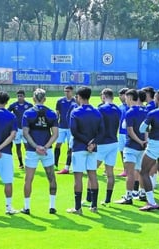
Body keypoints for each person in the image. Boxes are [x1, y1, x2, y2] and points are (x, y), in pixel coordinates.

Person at [20, 88, 59, 215]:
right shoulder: (51, 113)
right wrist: (46, 147)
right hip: (47, 151)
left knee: (28, 179)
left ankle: (26, 207)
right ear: (45, 99)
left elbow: (25, 133)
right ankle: (52, 206)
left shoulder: (28, 113)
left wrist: (36, 146)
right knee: (51, 177)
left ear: (33, 98)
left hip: (32, 151)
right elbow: (55, 134)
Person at [67, 86, 104, 214]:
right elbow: (101, 131)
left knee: (78, 178)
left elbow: (74, 131)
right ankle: (94, 206)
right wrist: (93, 143)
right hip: (93, 149)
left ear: (79, 97)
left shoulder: (75, 112)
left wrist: (86, 142)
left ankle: (78, 208)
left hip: (79, 147)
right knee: (92, 175)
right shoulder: (97, 112)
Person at [115, 89, 148, 205]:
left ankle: (128, 196)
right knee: (142, 171)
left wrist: (139, 141)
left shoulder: (129, 112)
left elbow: (130, 130)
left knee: (130, 173)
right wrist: (144, 141)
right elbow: (146, 129)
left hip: (131, 146)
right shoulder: (145, 111)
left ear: (129, 98)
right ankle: (142, 193)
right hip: (143, 147)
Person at [95, 88, 121, 206]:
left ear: (104, 96)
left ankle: (90, 199)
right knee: (110, 172)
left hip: (102, 143)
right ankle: (107, 199)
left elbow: (96, 125)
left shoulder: (100, 109)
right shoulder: (118, 109)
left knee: (92, 170)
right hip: (114, 142)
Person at [8, 89, 32, 169]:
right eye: (18, 96)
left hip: (26, 129)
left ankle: (28, 162)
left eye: (21, 96)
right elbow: (7, 113)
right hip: (17, 129)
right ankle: (21, 163)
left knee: (26, 146)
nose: (19, 97)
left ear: (24, 96)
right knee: (18, 146)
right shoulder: (14, 105)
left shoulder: (29, 105)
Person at [55, 85, 76, 174]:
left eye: (68, 91)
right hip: (61, 127)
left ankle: (68, 165)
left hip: (71, 128)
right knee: (58, 144)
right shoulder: (60, 101)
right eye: (65, 91)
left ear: (72, 91)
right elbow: (57, 114)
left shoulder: (75, 101)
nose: (66, 93)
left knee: (70, 147)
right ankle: (55, 163)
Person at [117, 87, 129, 177]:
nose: (119, 97)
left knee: (128, 151)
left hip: (129, 133)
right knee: (121, 151)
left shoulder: (131, 106)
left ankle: (130, 169)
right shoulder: (119, 107)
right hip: (121, 132)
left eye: (121, 95)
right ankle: (125, 169)